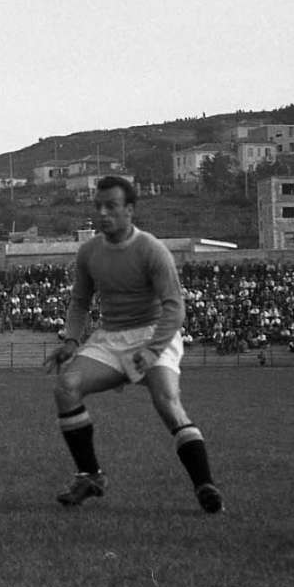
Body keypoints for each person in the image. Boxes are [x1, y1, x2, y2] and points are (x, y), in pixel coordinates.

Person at [48, 176, 223, 515]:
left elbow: (174, 307)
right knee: (66, 386)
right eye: (98, 206)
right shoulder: (89, 252)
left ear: (129, 210)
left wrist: (153, 350)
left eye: (111, 206)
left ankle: (205, 485)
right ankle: (90, 476)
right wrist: (71, 339)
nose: (103, 213)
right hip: (112, 337)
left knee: (167, 402)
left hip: (153, 333)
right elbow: (80, 300)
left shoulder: (151, 249)